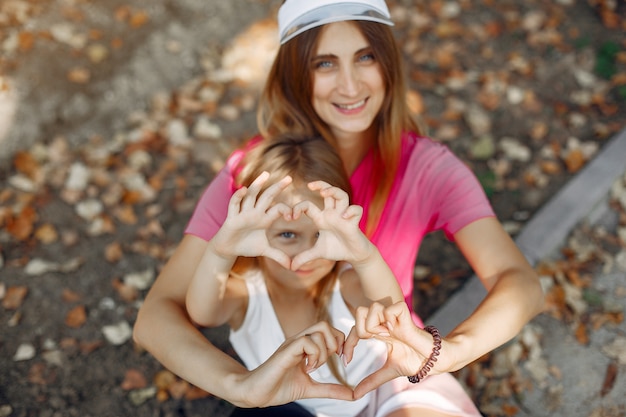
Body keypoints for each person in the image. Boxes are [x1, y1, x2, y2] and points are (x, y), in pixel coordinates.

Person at [133, 0, 544, 413]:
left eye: (365, 57)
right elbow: (156, 317)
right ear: (296, 77)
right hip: (290, 390)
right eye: (324, 64)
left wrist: (446, 354)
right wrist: (240, 385)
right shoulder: (259, 178)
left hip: (391, 368)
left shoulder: (427, 168)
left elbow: (520, 284)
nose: (349, 86)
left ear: (387, 64)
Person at [185, 135, 482, 416]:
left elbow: (394, 310)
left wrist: (364, 254)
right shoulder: (246, 294)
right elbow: (203, 312)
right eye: (287, 234)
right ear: (255, 232)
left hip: (390, 390)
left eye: (319, 234)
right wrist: (221, 252)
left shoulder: (347, 282)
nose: (306, 252)